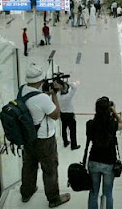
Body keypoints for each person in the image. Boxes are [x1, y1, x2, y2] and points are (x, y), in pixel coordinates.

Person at [20, 63, 70, 207]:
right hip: (44, 140)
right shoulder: (42, 98)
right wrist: (53, 95)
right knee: (50, 169)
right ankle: (54, 199)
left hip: (28, 137)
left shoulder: (22, 90)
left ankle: (26, 192)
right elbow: (56, 115)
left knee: (29, 166)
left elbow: (33, 105)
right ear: (40, 80)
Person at [85, 97, 122, 209]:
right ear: (109, 110)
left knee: (93, 193)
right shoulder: (112, 125)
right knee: (108, 194)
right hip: (109, 163)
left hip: (93, 161)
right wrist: (114, 112)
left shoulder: (90, 124)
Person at [57, 80, 81, 150]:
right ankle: (73, 145)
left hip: (62, 114)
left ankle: (65, 142)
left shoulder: (58, 96)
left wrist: (61, 85)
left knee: (64, 129)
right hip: (70, 115)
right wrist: (68, 83)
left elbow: (58, 90)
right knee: (72, 131)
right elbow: (74, 87)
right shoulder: (68, 96)